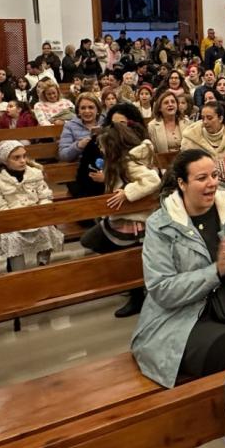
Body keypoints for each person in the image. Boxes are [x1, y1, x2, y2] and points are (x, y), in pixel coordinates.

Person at [131, 149, 225, 386]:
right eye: (201, 178)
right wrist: (215, 272)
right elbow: (162, 289)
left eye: (215, 175)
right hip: (186, 317)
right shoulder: (161, 225)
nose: (212, 184)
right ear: (182, 183)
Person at [83, 102, 162, 318]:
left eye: (104, 146)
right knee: (92, 241)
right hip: (121, 217)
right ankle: (136, 290)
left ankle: (138, 296)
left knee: (131, 259)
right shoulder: (118, 160)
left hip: (133, 220)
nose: (101, 150)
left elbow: (152, 180)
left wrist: (128, 192)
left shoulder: (129, 161)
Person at [0, 139, 64, 268]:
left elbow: (45, 195)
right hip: (13, 220)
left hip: (37, 216)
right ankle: (18, 271)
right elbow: (1, 205)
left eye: (24, 156)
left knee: (46, 230)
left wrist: (41, 210)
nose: (22, 160)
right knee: (12, 238)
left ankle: (43, 264)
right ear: (5, 160)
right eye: (16, 158)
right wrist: (18, 217)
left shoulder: (35, 174)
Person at [147, 89, 185, 155]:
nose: (170, 104)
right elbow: (152, 152)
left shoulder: (186, 122)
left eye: (173, 102)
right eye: (166, 103)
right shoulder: (152, 126)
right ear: (160, 108)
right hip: (164, 162)